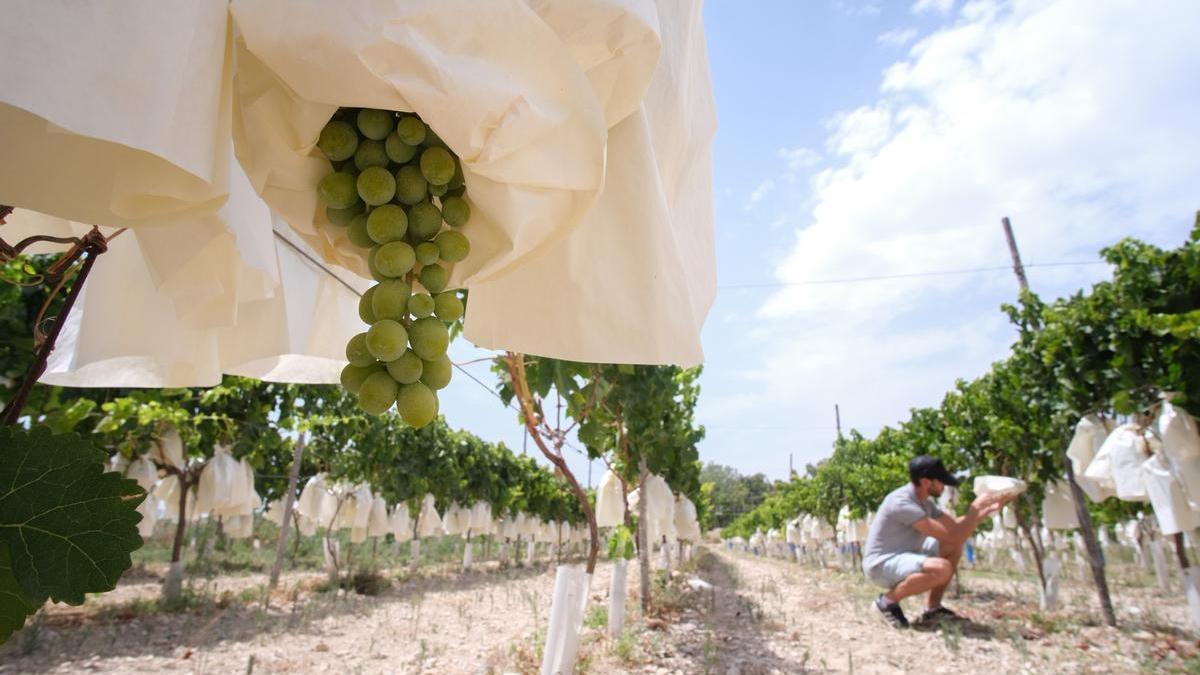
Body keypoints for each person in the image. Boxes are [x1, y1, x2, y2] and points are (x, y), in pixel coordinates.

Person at [861, 455, 1011, 628]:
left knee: (953, 547)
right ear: (926, 482)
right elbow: (954, 534)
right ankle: (886, 603)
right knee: (941, 568)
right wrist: (974, 509)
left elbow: (954, 529)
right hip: (881, 565)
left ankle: (933, 608)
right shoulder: (902, 503)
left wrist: (984, 511)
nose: (944, 486)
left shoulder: (925, 502)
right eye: (941, 481)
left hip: (902, 557)